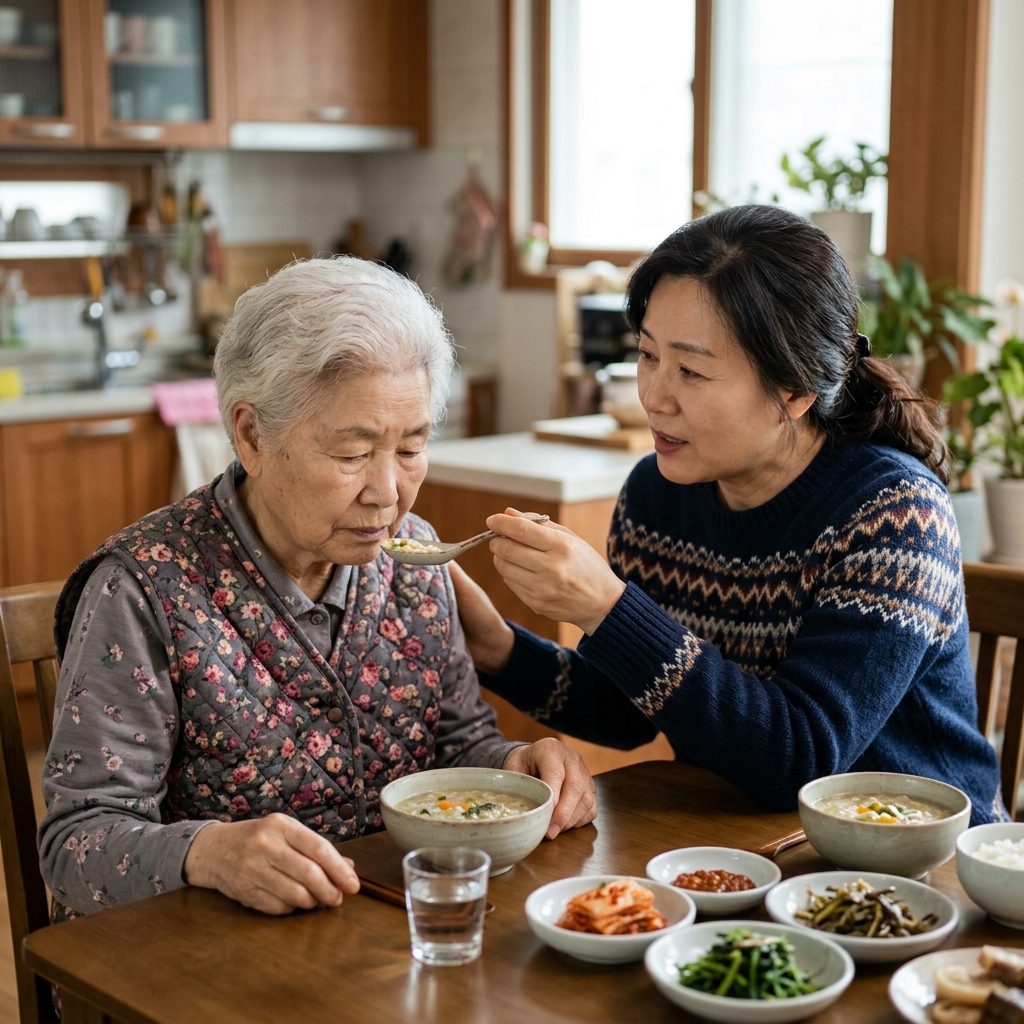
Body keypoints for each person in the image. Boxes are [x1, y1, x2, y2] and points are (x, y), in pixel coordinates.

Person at [38, 257, 596, 920]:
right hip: (205, 973)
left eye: (412, 447)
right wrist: (206, 854)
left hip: (388, 947)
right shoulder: (143, 591)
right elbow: (77, 847)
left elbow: (456, 746)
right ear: (251, 434)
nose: (387, 493)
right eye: (353, 454)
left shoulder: (413, 560)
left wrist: (516, 766)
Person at [452, 204, 1006, 826]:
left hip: (921, 864)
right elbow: (636, 708)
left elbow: (801, 759)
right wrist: (498, 649)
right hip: (739, 845)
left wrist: (605, 607)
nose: (655, 396)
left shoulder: (894, 515)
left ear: (794, 391)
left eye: (691, 370)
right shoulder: (657, 495)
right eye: (647, 355)